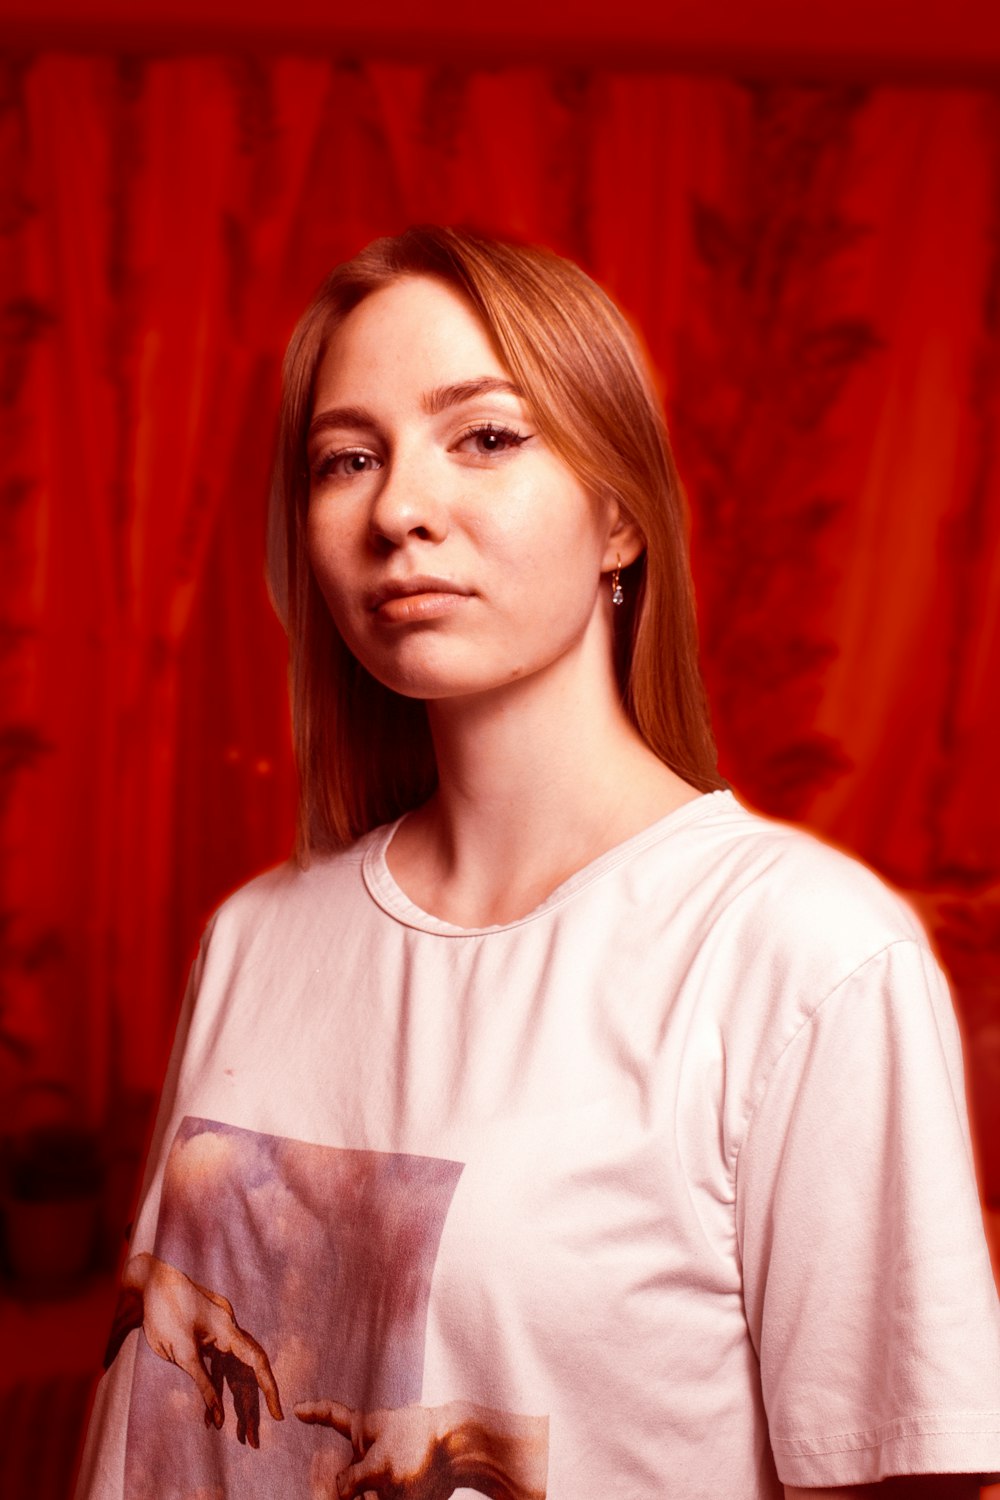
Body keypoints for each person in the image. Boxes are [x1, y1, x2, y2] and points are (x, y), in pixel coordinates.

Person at [76, 226, 1000, 1500]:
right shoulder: (257, 935)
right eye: (347, 458)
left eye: (487, 436)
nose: (399, 508)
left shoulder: (803, 953)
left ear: (619, 514)